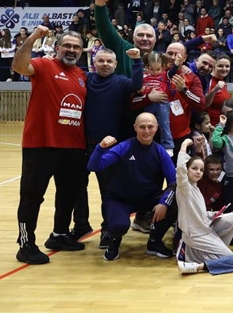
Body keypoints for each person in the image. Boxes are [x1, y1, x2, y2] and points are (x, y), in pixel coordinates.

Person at [12, 26, 88, 264]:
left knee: (68, 195)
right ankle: (25, 245)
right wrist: (33, 37)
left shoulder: (82, 75)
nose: (71, 50)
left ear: (82, 51)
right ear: (57, 48)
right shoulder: (44, 65)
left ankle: (59, 235)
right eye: (67, 45)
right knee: (32, 196)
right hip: (41, 144)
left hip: (73, 147)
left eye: (76, 47)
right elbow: (19, 66)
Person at [74, 46, 143, 247]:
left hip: (109, 149)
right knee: (77, 188)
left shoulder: (121, 82)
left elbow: (137, 83)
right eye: (101, 61)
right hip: (83, 145)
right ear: (94, 63)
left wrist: (137, 61)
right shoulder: (87, 79)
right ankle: (80, 225)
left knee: (107, 192)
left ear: (116, 64)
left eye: (109, 61)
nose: (105, 64)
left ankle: (107, 230)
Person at [86, 113, 178, 261]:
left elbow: (173, 181)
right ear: (135, 128)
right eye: (142, 127)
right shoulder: (124, 147)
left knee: (176, 202)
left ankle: (154, 242)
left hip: (148, 197)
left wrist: (163, 203)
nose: (146, 131)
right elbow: (94, 166)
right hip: (120, 198)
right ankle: (114, 241)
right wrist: (100, 148)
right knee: (119, 225)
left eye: (150, 127)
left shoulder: (159, 151)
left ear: (157, 128)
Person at [174, 139, 233, 269]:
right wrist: (184, 146)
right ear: (187, 170)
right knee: (231, 260)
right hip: (195, 234)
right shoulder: (184, 186)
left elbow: (198, 212)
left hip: (205, 228)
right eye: (194, 169)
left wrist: (212, 214)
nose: (198, 171)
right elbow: (180, 169)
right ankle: (194, 260)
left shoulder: (196, 187)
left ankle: (197, 253)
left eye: (201, 170)